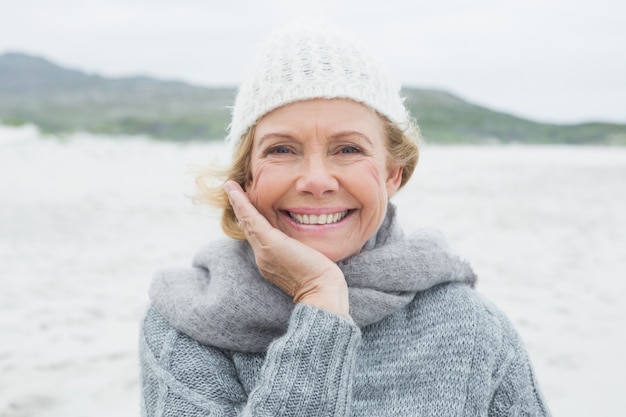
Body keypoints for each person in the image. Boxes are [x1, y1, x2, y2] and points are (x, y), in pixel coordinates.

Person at [139, 23, 551, 416]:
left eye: (348, 149)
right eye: (282, 150)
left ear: (393, 174)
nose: (316, 181)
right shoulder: (186, 320)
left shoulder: (473, 327)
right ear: (245, 177)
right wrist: (320, 298)